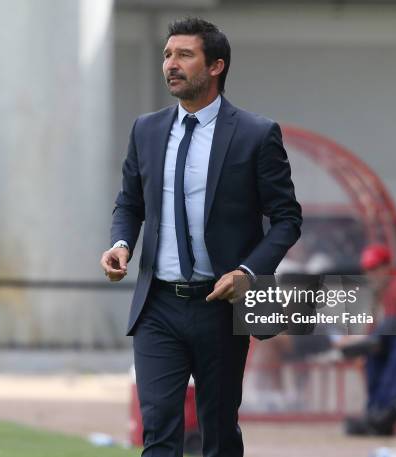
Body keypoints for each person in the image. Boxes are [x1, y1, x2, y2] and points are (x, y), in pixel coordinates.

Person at [100, 17, 302, 457]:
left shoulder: (255, 133)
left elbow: (287, 218)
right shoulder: (146, 130)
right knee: (158, 431)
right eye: (167, 55)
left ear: (216, 66)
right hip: (158, 306)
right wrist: (121, 245)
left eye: (184, 55)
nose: (170, 64)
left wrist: (248, 272)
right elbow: (129, 203)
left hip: (223, 307)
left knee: (219, 432)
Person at [344, 244, 396, 436]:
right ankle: (375, 412)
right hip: (391, 340)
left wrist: (371, 338)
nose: (371, 274)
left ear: (387, 266)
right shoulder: (382, 289)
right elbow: (377, 323)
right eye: (368, 270)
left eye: (375, 268)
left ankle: (387, 414)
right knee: (373, 355)